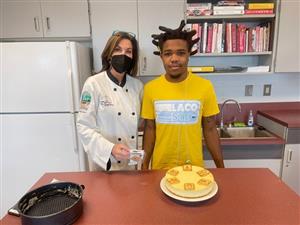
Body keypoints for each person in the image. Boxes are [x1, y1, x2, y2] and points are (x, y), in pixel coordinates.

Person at [141, 20, 224, 170]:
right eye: (168, 54)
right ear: (161, 56)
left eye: (180, 53)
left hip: (193, 168)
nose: (174, 59)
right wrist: (144, 165)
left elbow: (210, 129)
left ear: (188, 55)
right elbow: (150, 129)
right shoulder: (150, 89)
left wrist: (221, 167)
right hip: (160, 169)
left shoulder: (205, 87)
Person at [77, 31, 143, 171]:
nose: (123, 55)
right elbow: (84, 126)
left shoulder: (137, 86)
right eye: (117, 50)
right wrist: (110, 148)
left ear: (133, 57)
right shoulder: (93, 84)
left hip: (130, 163)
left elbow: (141, 122)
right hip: (104, 163)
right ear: (109, 55)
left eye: (129, 51)